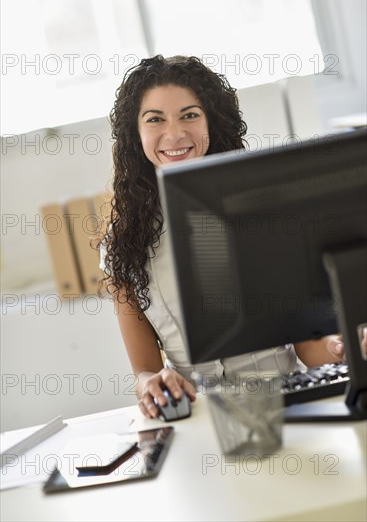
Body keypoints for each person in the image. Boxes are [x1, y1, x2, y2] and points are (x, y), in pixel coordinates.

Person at [99, 54, 360, 419]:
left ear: (212, 122)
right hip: (202, 417)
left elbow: (308, 343)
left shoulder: (267, 211)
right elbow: (144, 370)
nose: (174, 134)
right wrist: (151, 383)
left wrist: (341, 345)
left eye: (190, 115)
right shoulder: (122, 242)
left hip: (288, 405)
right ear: (135, 133)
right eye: (155, 119)